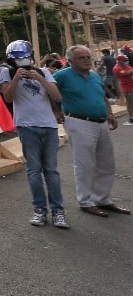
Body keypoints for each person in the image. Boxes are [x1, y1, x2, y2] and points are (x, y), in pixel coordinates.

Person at [0, 40, 68, 229]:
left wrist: (39, 78)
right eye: (18, 59)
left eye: (25, 58)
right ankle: (39, 210)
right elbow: (8, 98)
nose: (22, 62)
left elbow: (57, 96)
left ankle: (58, 211)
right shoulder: (7, 72)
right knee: (34, 170)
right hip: (27, 126)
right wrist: (16, 79)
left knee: (51, 170)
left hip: (49, 125)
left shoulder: (43, 72)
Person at [53, 45, 129, 217]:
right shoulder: (62, 75)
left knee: (106, 163)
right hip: (79, 121)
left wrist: (109, 112)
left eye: (88, 57)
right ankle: (86, 201)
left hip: (101, 122)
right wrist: (56, 111)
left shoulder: (94, 75)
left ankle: (102, 198)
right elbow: (48, 91)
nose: (87, 60)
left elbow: (101, 96)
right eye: (81, 58)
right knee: (85, 163)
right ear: (70, 61)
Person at [113, 53, 133, 125]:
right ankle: (131, 117)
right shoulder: (117, 68)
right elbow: (125, 74)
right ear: (119, 61)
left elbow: (130, 70)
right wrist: (130, 72)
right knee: (130, 103)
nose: (126, 62)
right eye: (124, 60)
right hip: (127, 87)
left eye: (126, 60)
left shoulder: (126, 66)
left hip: (131, 85)